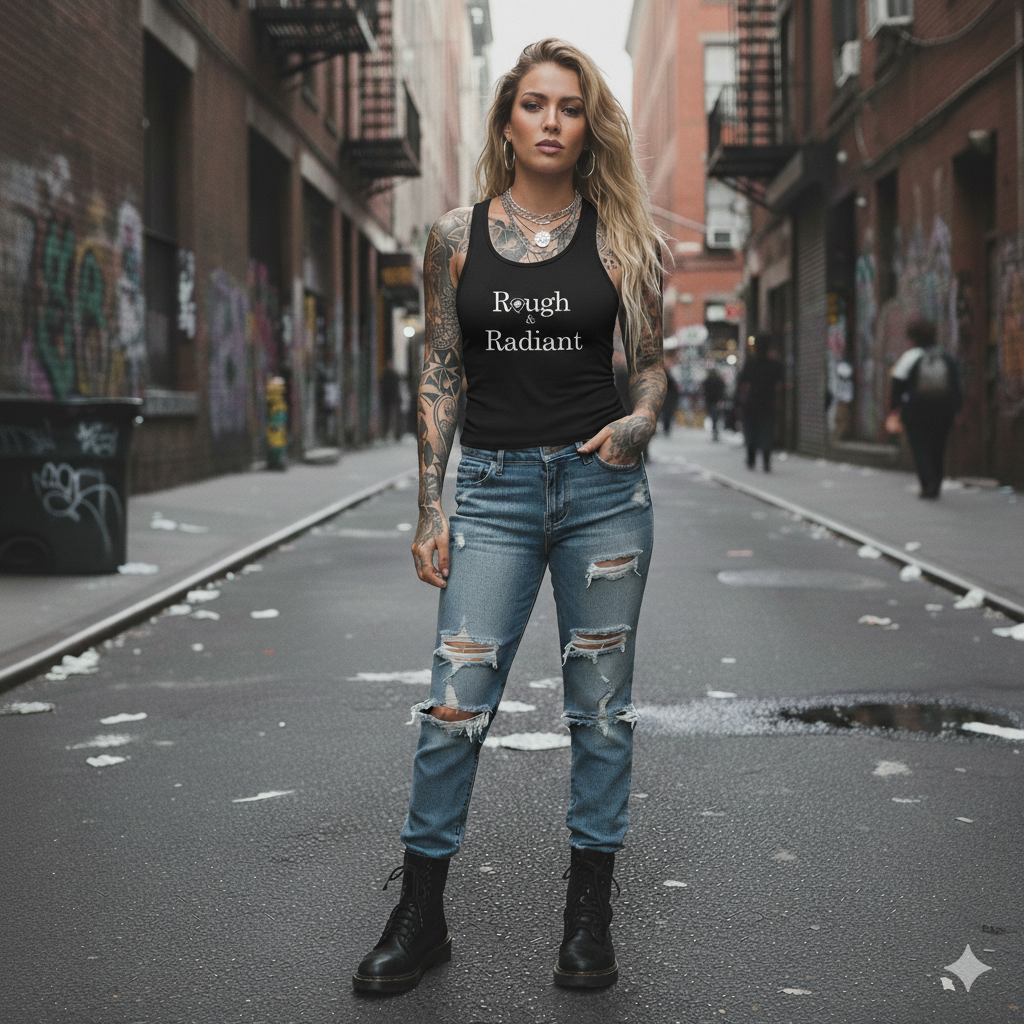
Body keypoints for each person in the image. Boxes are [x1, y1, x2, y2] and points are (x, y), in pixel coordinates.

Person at [352, 39, 666, 995]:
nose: (551, 122)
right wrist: (427, 505)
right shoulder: (455, 236)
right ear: (507, 120)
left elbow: (649, 362)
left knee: (601, 715)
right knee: (453, 708)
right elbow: (441, 370)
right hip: (490, 493)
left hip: (601, 494)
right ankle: (421, 913)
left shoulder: (621, 237)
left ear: (587, 125)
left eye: (570, 107)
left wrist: (642, 418)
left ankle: (587, 919)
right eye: (534, 104)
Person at [886, 318, 962, 498]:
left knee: (920, 447)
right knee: (938, 448)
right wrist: (956, 407)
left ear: (913, 338)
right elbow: (956, 385)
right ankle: (937, 482)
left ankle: (927, 483)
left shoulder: (910, 357)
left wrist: (895, 407)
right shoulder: (946, 357)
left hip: (916, 411)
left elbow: (897, 386)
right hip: (943, 411)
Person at [736, 334, 783, 471]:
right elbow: (780, 384)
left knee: (751, 432)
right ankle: (766, 461)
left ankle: (751, 459)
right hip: (768, 403)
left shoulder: (750, 364)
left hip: (751, 403)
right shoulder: (775, 365)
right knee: (766, 432)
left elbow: (742, 384)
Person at [379, 358, 403, 440]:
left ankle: (395, 434)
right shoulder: (387, 375)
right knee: (388, 416)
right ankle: (387, 433)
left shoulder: (392, 375)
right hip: (388, 399)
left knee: (393, 416)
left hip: (392, 398)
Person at [702, 366, 726, 441]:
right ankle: (715, 430)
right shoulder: (719, 381)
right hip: (716, 401)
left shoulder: (707, 381)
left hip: (710, 401)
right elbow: (722, 391)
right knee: (716, 417)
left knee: (713, 417)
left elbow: (705, 391)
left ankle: (714, 430)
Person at [660, 352, 680, 435]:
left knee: (667, 413)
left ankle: (666, 428)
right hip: (665, 397)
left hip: (669, 398)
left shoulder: (671, 374)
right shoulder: (663, 374)